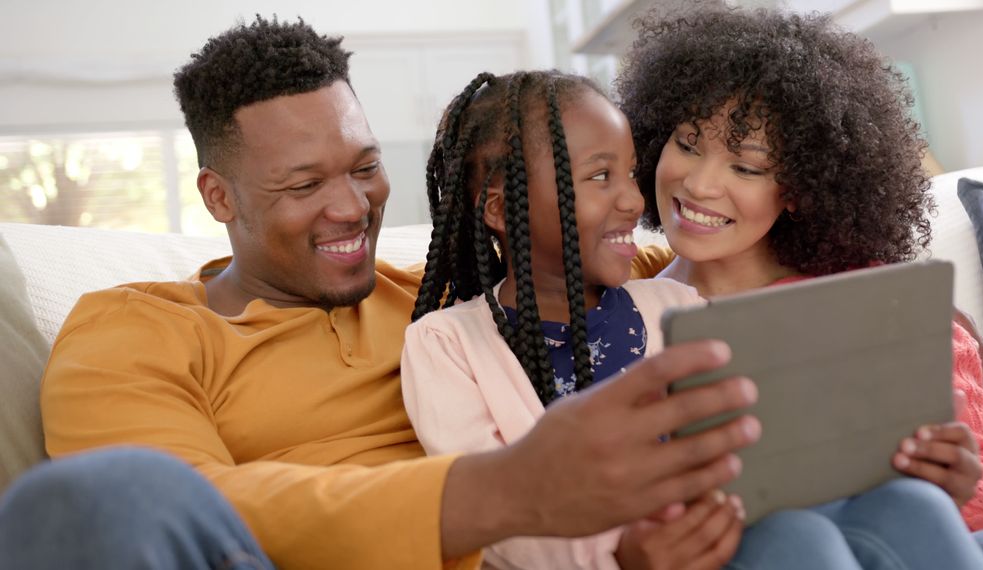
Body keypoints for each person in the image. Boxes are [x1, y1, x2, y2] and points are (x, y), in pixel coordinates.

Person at [0, 16, 765, 570]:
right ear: (219, 197)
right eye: (305, 184)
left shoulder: (460, 299)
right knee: (91, 496)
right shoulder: (135, 329)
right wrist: (506, 489)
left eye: (363, 167)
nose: (351, 207)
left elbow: (703, 263)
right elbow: (178, 508)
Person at [401, 69, 983, 569]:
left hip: (740, 524)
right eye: (599, 177)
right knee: (797, 540)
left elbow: (772, 441)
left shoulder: (677, 307)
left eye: (631, 172)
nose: (634, 201)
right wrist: (620, 554)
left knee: (913, 506)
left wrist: (896, 456)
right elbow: (490, 513)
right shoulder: (446, 344)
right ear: (504, 211)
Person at [615, 5, 983, 568]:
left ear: (800, 188)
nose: (699, 183)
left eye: (747, 167)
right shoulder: (615, 316)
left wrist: (957, 484)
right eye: (687, 143)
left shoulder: (881, 301)